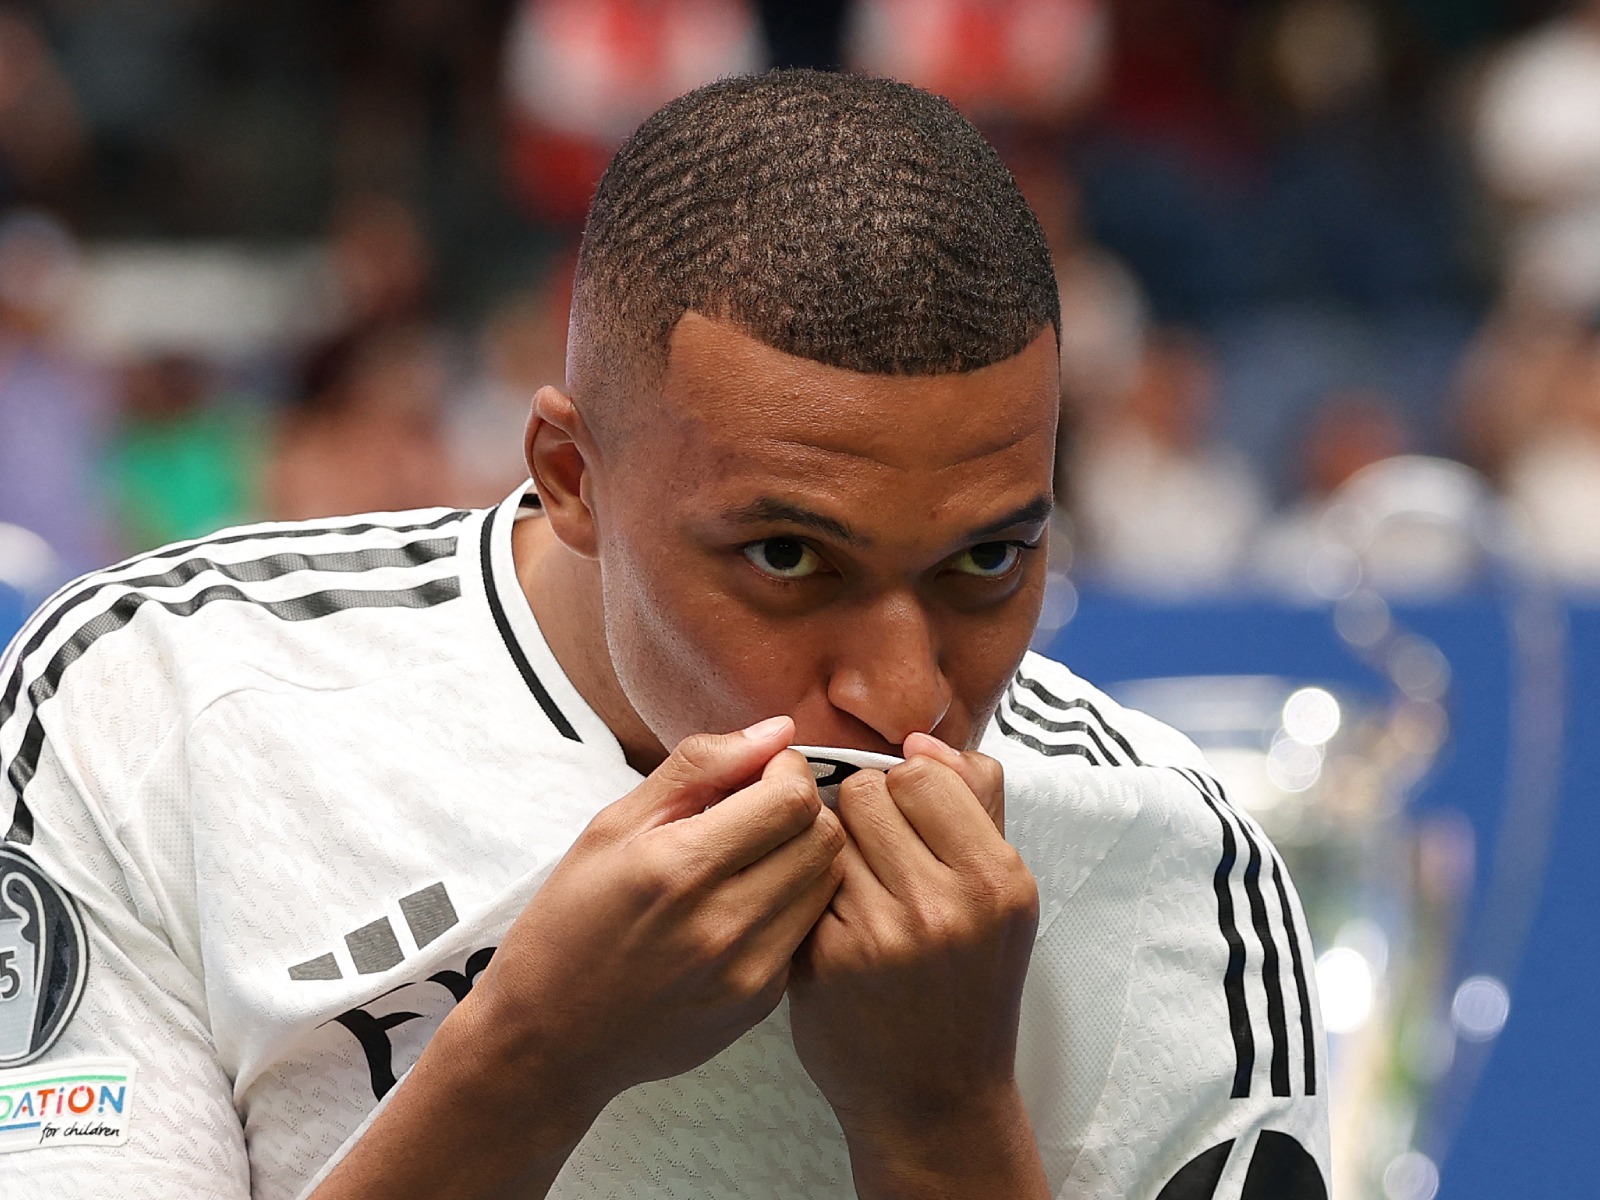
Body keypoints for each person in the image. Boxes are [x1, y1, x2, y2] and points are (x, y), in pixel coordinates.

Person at [0, 72, 1328, 1198]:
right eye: (789, 557)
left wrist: (941, 1123)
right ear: (570, 477)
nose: (903, 692)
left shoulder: (1172, 864)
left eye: (987, 561)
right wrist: (531, 1056)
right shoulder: (150, 699)